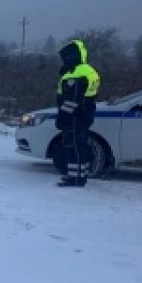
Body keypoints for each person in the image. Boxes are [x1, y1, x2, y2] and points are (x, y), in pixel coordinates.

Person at [55, 38, 101, 187]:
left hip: (74, 116)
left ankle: (75, 179)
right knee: (80, 145)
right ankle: (80, 176)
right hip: (84, 114)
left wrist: (62, 117)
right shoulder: (87, 70)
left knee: (73, 146)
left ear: (72, 56)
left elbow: (72, 100)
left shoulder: (77, 73)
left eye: (65, 58)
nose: (63, 61)